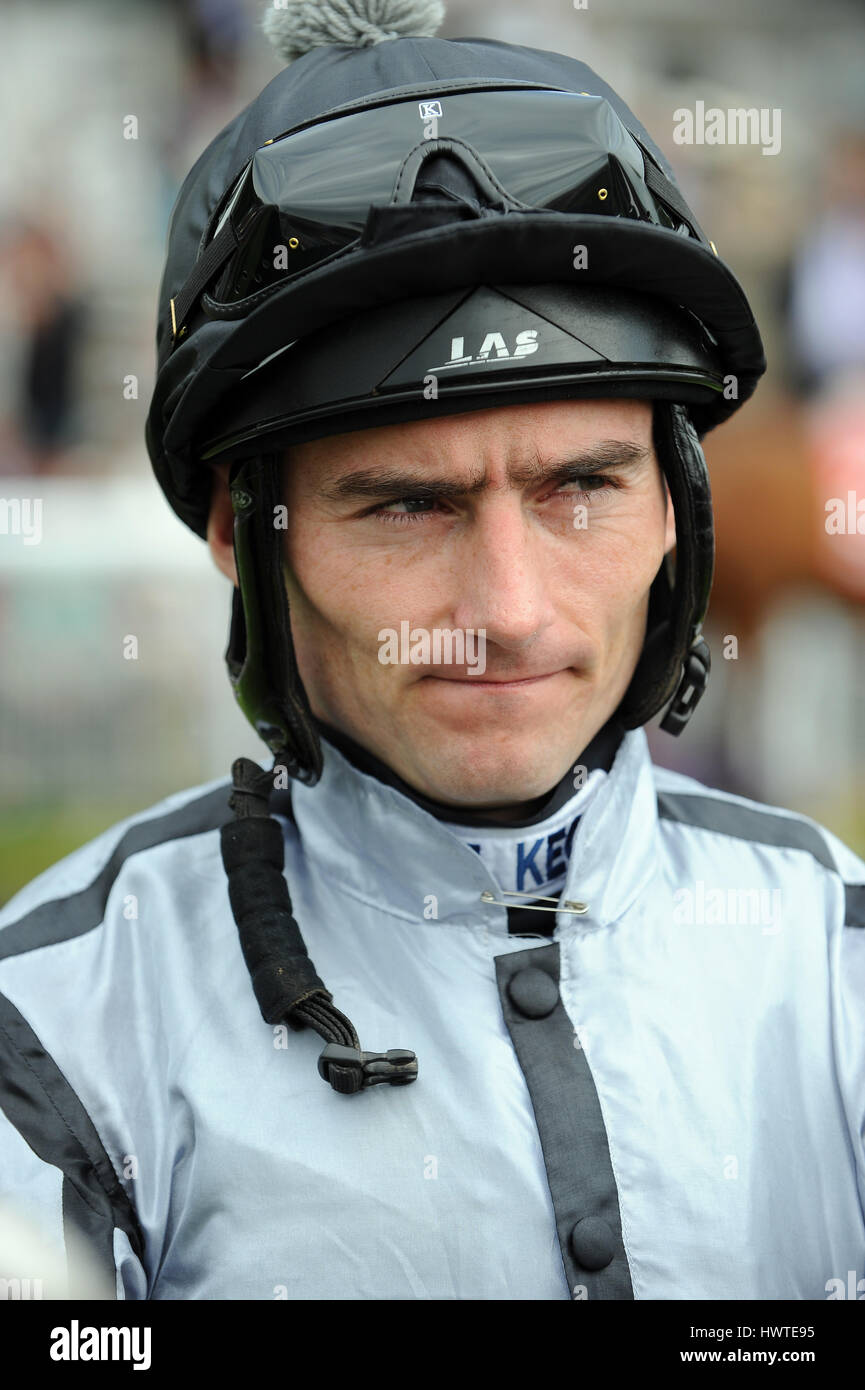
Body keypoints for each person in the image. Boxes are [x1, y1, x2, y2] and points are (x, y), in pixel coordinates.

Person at [0, 0, 863, 1302]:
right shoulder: (57, 1021)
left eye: (579, 486)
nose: (509, 609)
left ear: (675, 515)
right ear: (246, 532)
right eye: (407, 503)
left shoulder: (836, 952)